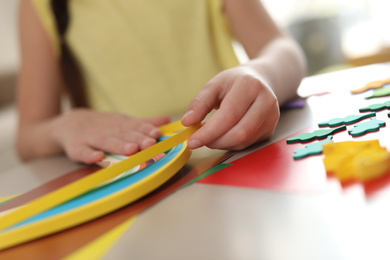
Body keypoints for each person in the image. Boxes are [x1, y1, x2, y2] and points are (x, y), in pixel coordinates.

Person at [16, 0, 306, 164]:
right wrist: (65, 126)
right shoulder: (37, 5)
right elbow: (27, 137)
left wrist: (262, 74)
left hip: (239, 158)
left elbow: (282, 50)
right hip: (133, 189)